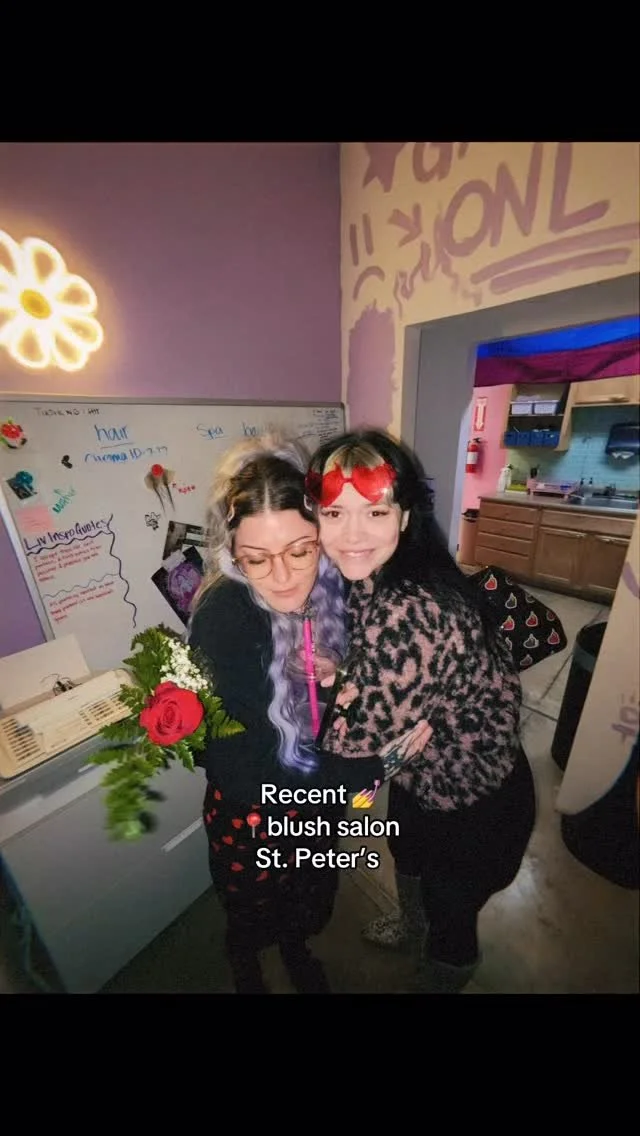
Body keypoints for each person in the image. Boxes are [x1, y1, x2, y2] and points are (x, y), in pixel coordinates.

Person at [188, 433, 429, 995]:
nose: (282, 576)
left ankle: (297, 950)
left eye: (300, 550)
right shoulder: (226, 618)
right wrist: (369, 770)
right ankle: (246, 967)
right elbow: (235, 770)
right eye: (255, 559)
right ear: (232, 554)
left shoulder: (339, 590)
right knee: (250, 913)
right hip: (255, 816)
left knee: (308, 900)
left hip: (320, 808)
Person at [306, 428, 536, 993]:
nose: (350, 535)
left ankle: (442, 976)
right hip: (421, 777)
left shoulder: (415, 610)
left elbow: (344, 762)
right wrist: (348, 679)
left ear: (404, 517)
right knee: (404, 851)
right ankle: (410, 925)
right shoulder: (378, 573)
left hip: (473, 807)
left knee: (450, 917)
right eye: (334, 515)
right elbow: (371, 676)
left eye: (375, 513)